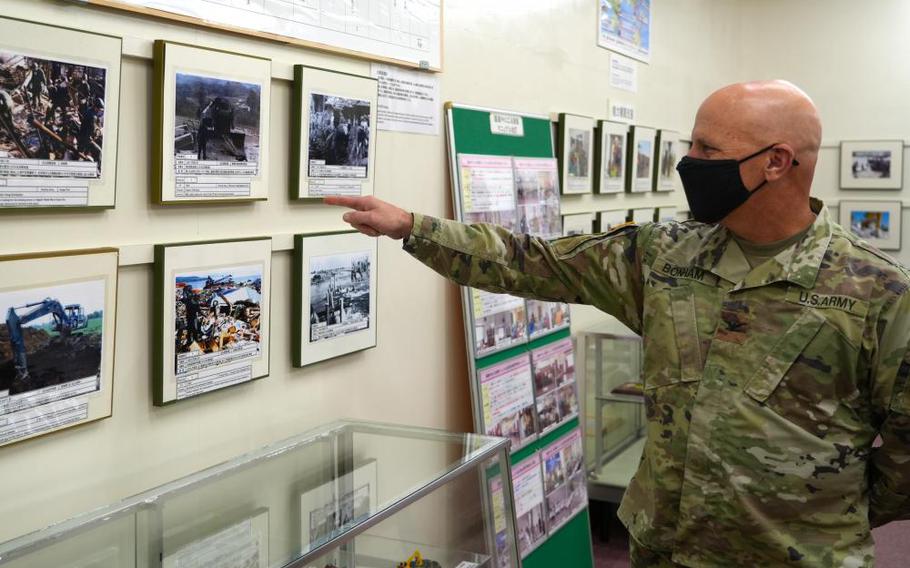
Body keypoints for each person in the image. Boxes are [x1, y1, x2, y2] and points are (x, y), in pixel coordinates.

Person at [327, 80, 910, 567]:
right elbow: (532, 261)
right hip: (665, 547)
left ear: (777, 162)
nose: (690, 162)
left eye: (707, 149)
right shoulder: (664, 255)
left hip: (795, 556)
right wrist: (412, 226)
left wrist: (824, 506)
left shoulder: (877, 292)